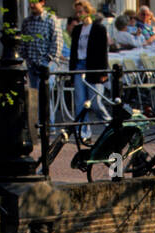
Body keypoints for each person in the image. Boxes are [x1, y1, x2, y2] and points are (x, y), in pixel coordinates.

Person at [69, 0, 111, 142]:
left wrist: (104, 71)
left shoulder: (99, 29)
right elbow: (73, 50)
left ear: (88, 12)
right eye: (77, 12)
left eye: (81, 12)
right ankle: (84, 133)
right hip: (80, 65)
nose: (79, 15)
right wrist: (72, 69)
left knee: (95, 101)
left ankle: (110, 125)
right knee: (80, 102)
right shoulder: (77, 30)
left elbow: (103, 51)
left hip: (93, 66)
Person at [20, 0, 61, 91]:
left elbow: (56, 43)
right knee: (35, 96)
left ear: (42, 2)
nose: (31, 5)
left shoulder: (51, 20)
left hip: (46, 64)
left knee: (44, 93)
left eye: (34, 2)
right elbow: (23, 43)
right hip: (31, 65)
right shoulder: (27, 22)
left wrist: (47, 60)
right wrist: (26, 59)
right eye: (30, 3)